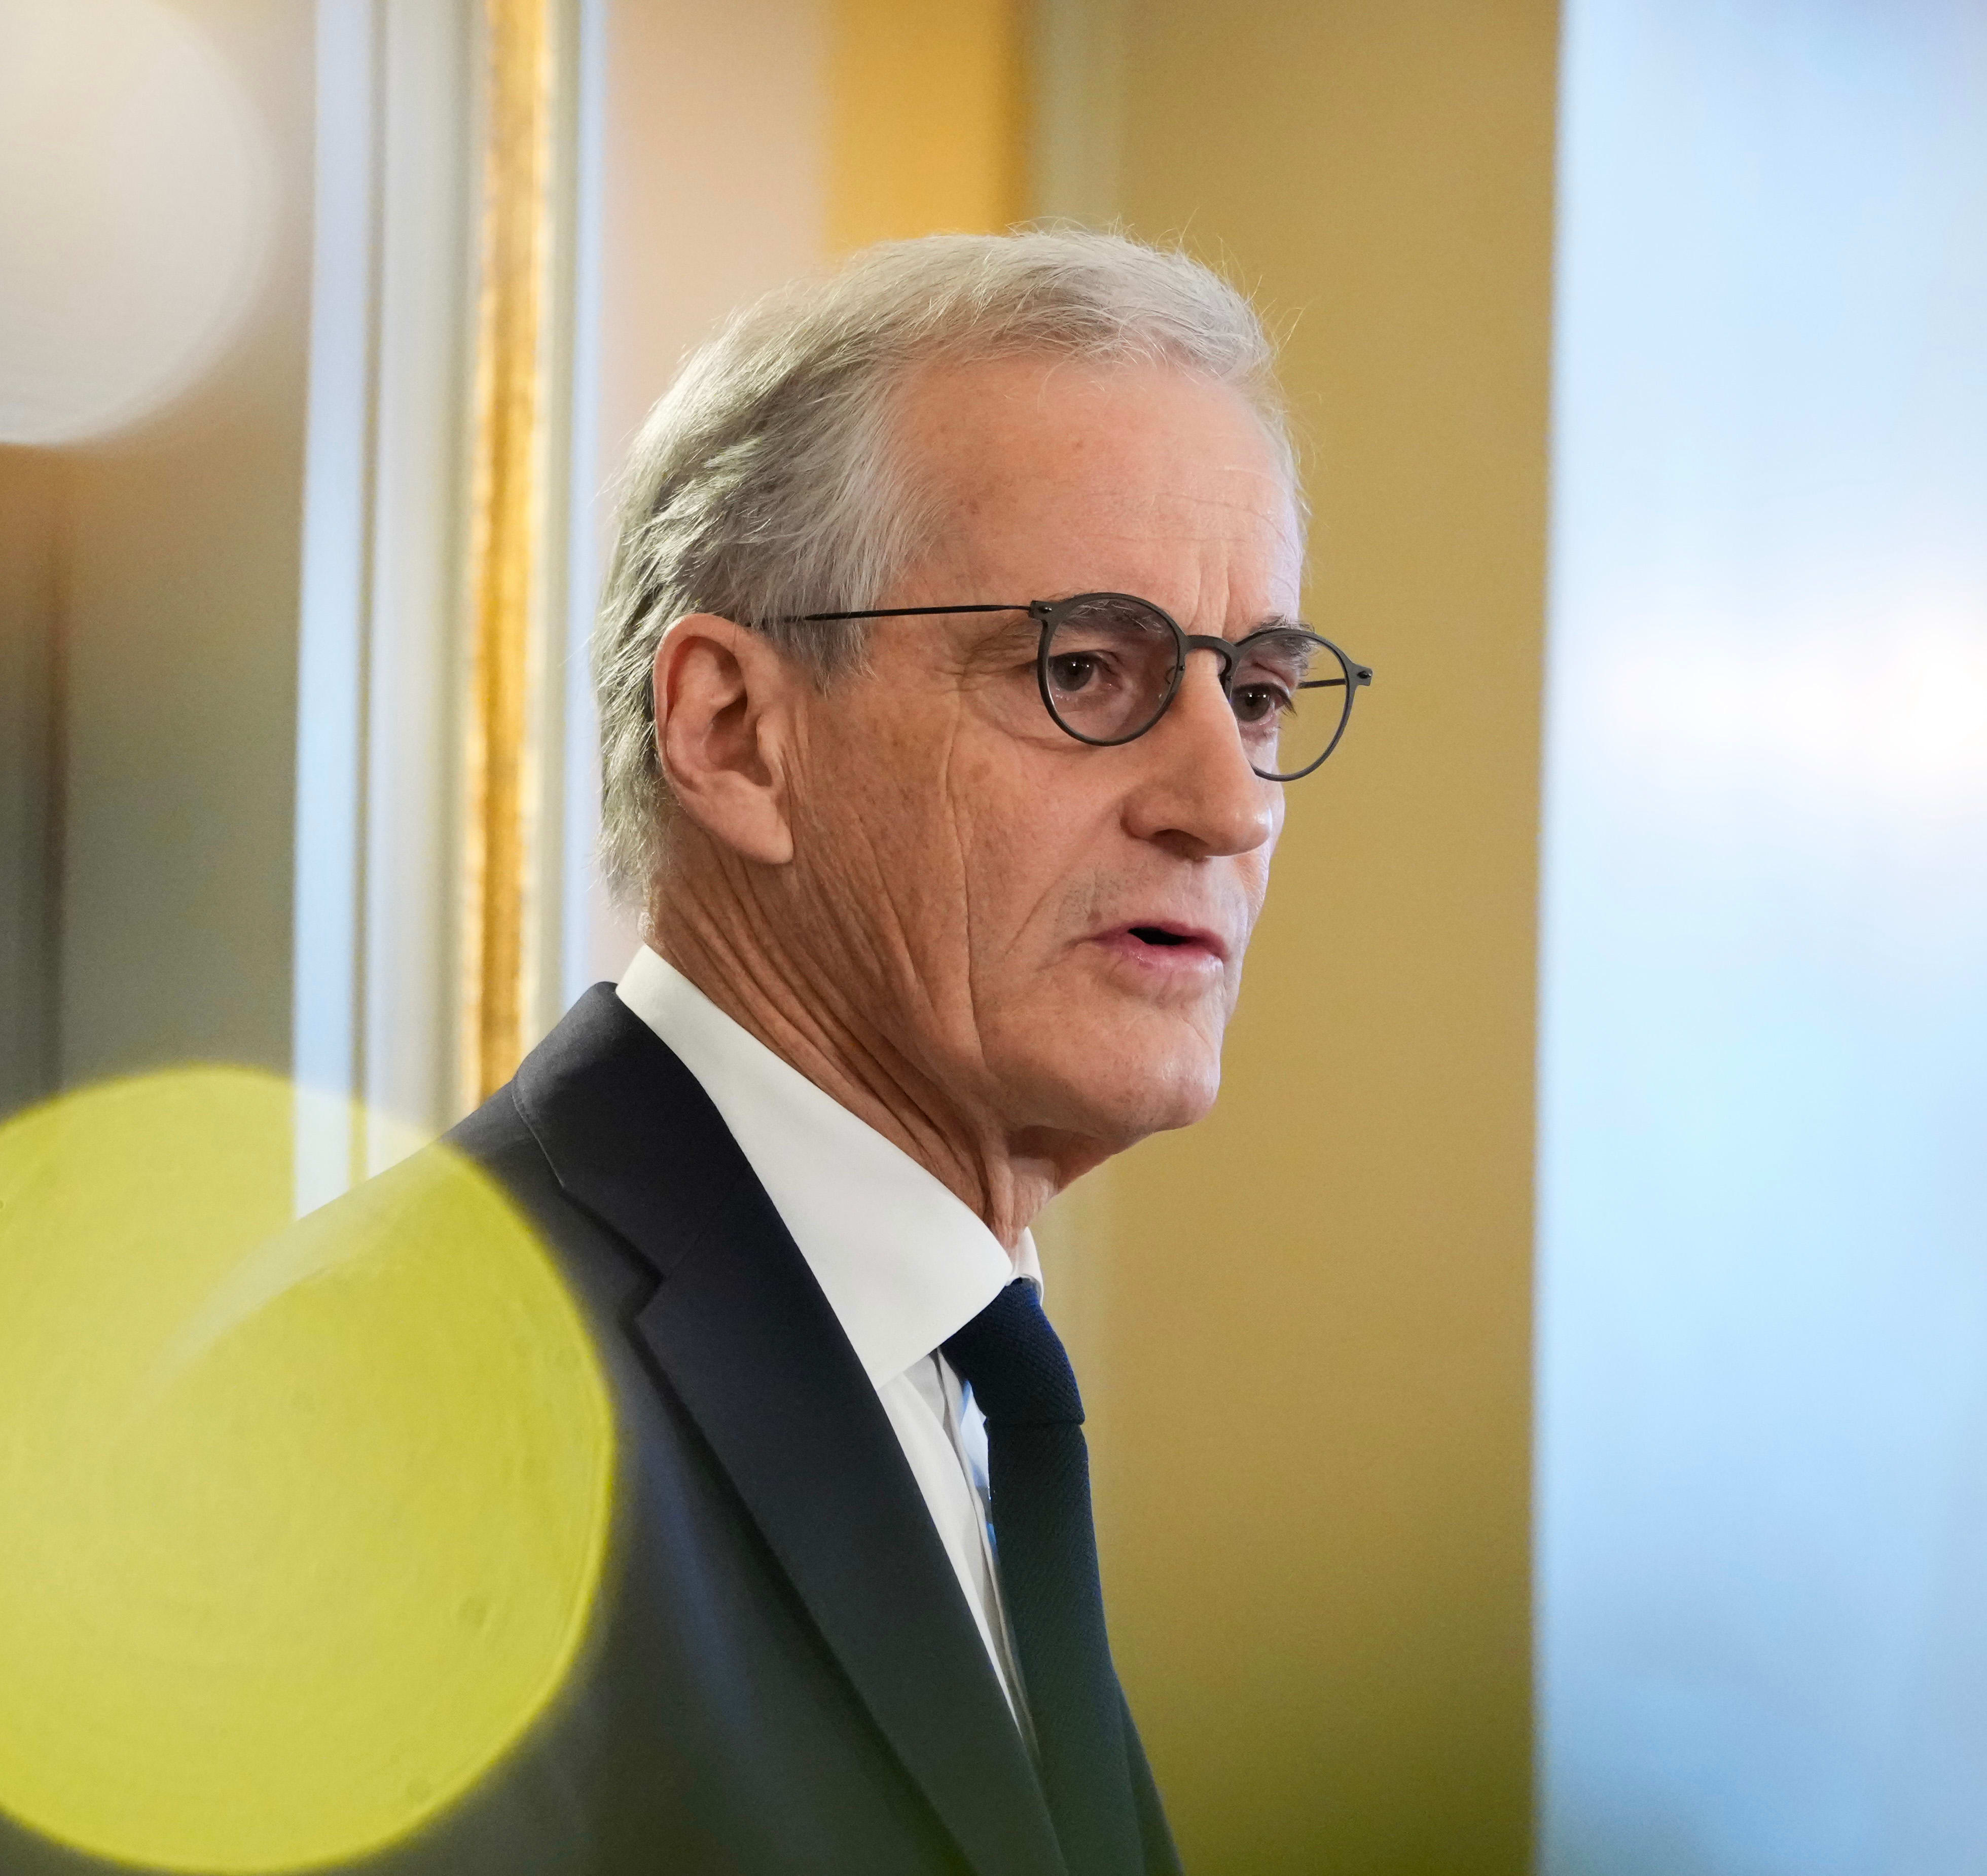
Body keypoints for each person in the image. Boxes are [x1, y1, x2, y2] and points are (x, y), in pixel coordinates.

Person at [386, 228, 1366, 1876]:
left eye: (1257, 696)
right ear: (732, 733)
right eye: (1084, 671)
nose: (1229, 806)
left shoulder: (956, 1377)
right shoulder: (415, 1414)